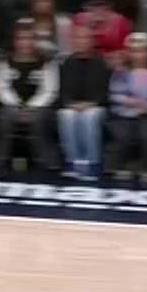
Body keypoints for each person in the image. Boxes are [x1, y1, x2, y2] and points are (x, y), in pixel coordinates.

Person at [0, 20, 58, 172]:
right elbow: (1, 88)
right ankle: (0, 161)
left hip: (40, 106)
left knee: (40, 118)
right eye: (21, 39)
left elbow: (50, 90)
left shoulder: (47, 61)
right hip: (12, 105)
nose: (25, 43)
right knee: (5, 116)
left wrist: (31, 107)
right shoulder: (3, 60)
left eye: (29, 38)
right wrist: (17, 105)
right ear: (15, 41)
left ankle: (45, 162)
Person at [108, 30, 147, 184]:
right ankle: (124, 166)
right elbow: (115, 94)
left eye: (143, 51)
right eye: (135, 51)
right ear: (129, 53)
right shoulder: (120, 71)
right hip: (124, 113)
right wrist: (132, 103)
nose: (139, 55)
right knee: (124, 136)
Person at [56, 22, 110, 179]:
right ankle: (72, 162)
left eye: (86, 38)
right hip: (72, 106)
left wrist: (91, 104)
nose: (81, 41)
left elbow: (106, 92)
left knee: (89, 116)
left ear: (92, 41)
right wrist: (72, 104)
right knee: (66, 115)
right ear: (73, 40)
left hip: (97, 106)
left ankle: (93, 163)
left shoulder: (102, 63)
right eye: (78, 38)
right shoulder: (67, 63)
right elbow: (61, 91)